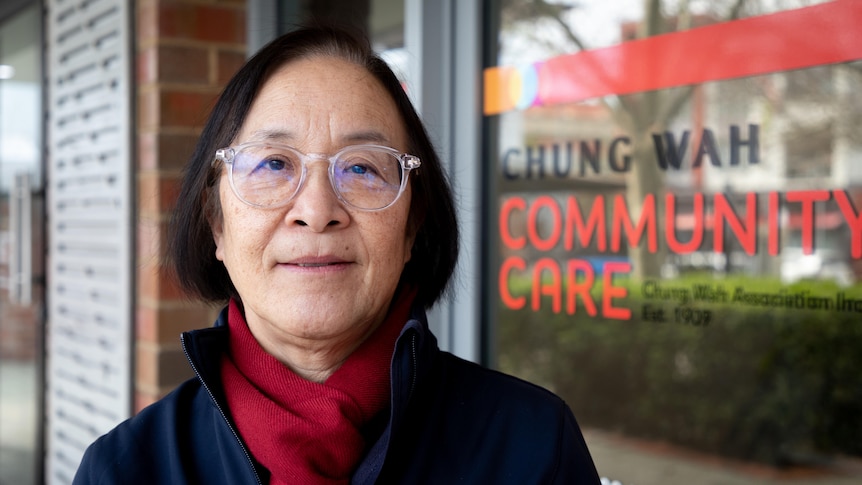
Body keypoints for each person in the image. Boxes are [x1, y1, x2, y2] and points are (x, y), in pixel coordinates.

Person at [73, 25, 600, 484]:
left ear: (413, 225)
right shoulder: (125, 469)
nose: (317, 210)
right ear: (217, 224)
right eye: (274, 164)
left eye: (363, 168)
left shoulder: (533, 448)